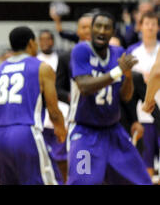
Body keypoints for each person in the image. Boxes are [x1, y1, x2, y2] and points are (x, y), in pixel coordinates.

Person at [66, 11, 152, 185]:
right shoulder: (81, 50)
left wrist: (127, 77)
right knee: (83, 182)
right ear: (91, 30)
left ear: (113, 32)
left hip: (114, 132)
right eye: (98, 26)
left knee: (140, 181)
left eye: (107, 27)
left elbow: (126, 97)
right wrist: (118, 71)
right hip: (85, 132)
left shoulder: (118, 52)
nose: (102, 30)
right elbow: (84, 86)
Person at [0, 26, 67, 185]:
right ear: (31, 43)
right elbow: (53, 109)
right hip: (25, 132)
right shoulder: (41, 67)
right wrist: (60, 127)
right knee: (49, 181)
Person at [126, 11, 160, 178]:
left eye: (153, 24)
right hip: (142, 114)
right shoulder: (132, 51)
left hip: (157, 107)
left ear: (158, 27)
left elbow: (156, 74)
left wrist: (152, 77)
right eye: (147, 23)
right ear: (140, 26)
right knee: (145, 163)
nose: (150, 27)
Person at [36, 29, 69, 183]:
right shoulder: (34, 60)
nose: (45, 42)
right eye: (42, 40)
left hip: (60, 110)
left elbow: (61, 87)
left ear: (53, 41)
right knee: (42, 158)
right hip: (40, 115)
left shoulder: (61, 59)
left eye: (48, 39)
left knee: (62, 156)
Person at [55, 13, 92, 104]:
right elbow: (58, 89)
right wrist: (70, 97)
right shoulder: (65, 57)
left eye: (91, 27)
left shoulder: (105, 55)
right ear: (77, 31)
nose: (88, 31)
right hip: (76, 108)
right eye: (84, 27)